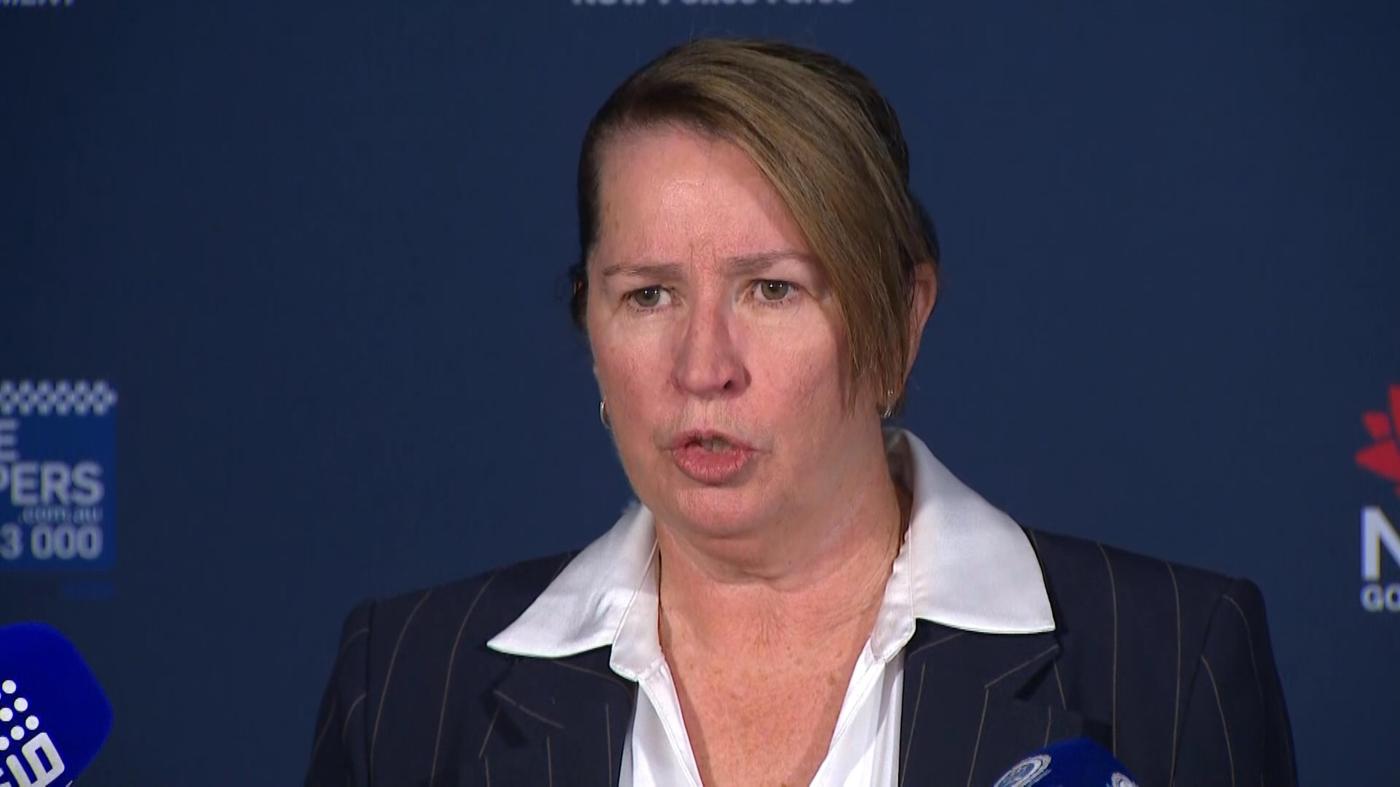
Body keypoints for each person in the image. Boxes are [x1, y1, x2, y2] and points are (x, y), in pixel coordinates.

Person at [304, 38, 1296, 787]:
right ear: (590, 327)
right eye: (647, 295)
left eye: (772, 289)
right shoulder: (406, 684)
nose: (703, 366)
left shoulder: (1167, 663)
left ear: (899, 320)